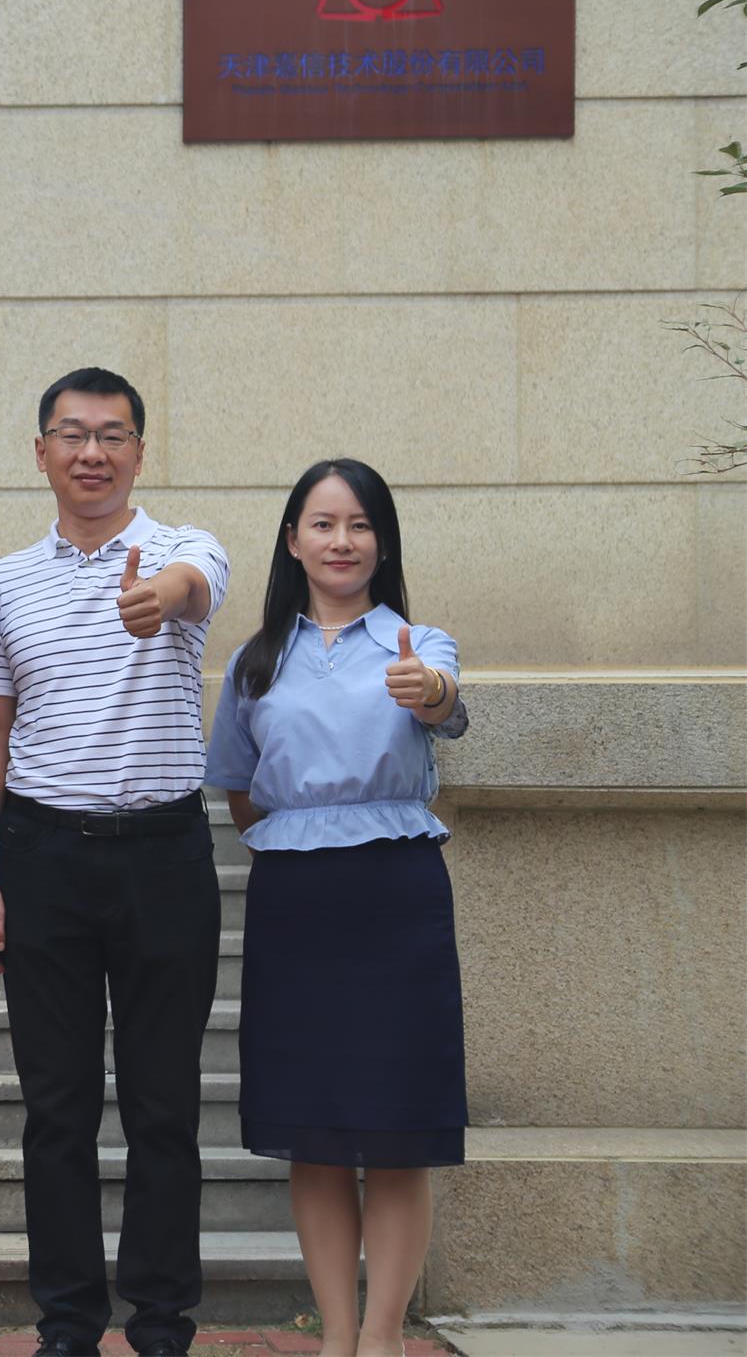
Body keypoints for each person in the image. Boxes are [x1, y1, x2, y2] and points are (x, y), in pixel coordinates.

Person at [0, 367, 229, 1357]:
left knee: (163, 1104)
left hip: (163, 856)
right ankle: (67, 1323)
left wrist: (157, 595)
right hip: (42, 858)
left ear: (138, 453)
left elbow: (192, 587)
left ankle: (160, 1323)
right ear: (39, 452)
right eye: (71, 434)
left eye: (111, 435)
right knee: (56, 1108)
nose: (91, 452)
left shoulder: (184, 549)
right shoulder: (2, 584)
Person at [204, 459, 468, 1357]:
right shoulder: (254, 661)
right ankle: (337, 1333)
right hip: (295, 901)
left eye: (359, 524)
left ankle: (383, 1336)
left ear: (381, 542)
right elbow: (240, 791)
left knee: (397, 1128)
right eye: (322, 523)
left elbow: (443, 701)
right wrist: (304, 831)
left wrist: (426, 691)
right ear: (292, 541)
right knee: (312, 1129)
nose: (341, 540)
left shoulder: (418, 643)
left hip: (396, 895)